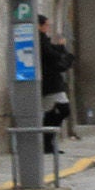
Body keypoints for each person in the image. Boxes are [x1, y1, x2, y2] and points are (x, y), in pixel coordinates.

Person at [37, 16, 75, 150]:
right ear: (39, 26)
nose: (48, 28)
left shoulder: (43, 40)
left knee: (51, 111)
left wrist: (61, 48)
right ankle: (46, 141)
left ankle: (47, 142)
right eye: (46, 25)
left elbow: (53, 51)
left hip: (51, 82)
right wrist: (63, 51)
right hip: (50, 82)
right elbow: (51, 55)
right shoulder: (39, 41)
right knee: (62, 109)